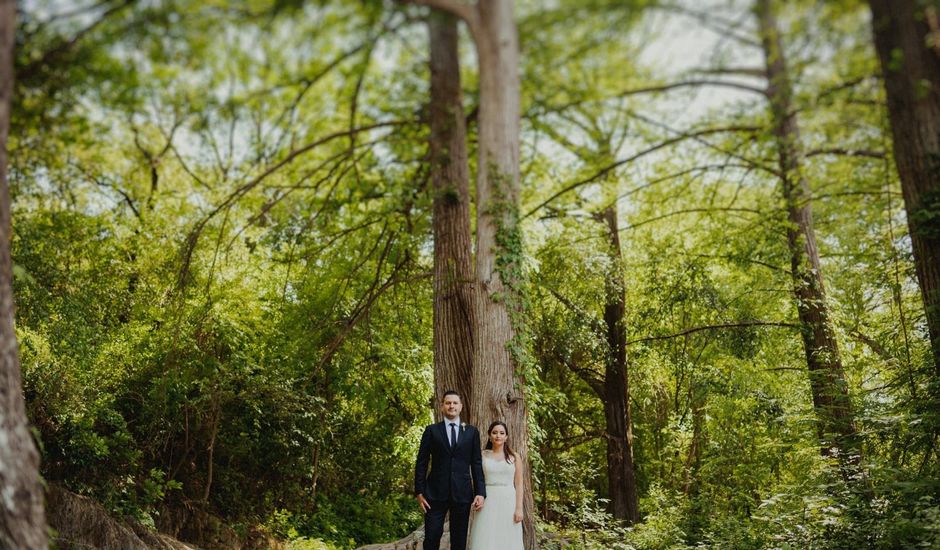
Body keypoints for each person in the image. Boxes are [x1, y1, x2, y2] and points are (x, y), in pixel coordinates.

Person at [414, 390, 486, 550]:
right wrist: (419, 491)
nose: (451, 406)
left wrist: (480, 492)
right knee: (432, 537)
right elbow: (422, 462)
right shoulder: (431, 430)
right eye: (448, 403)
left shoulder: (471, 432)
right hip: (434, 494)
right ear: (442, 407)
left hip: (462, 493)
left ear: (460, 407)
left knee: (459, 540)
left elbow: (476, 463)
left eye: (455, 403)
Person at [468, 421, 525, 550]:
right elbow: (477, 478)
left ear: (506, 437)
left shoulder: (514, 457)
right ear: (489, 436)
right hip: (488, 499)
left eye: (501, 433)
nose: (498, 436)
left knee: (508, 535)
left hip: (508, 499)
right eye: (494, 433)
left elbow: (519, 484)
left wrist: (519, 508)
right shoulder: (482, 455)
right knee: (486, 535)